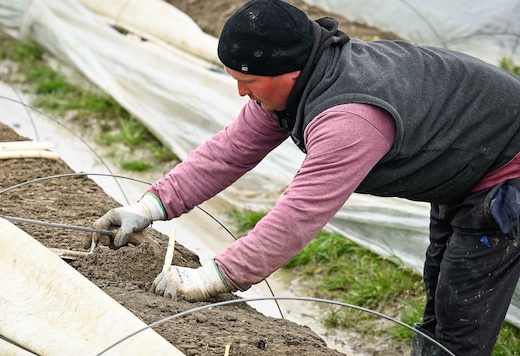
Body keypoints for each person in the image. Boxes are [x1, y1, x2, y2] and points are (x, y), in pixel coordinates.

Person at [92, 0, 520, 355]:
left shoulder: (350, 118)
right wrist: (148, 206)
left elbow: (298, 216)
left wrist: (213, 278)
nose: (241, 93)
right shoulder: (305, 77)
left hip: (505, 175)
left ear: (288, 72)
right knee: (442, 293)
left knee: (461, 316)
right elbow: (230, 151)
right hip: (468, 165)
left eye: (249, 81)